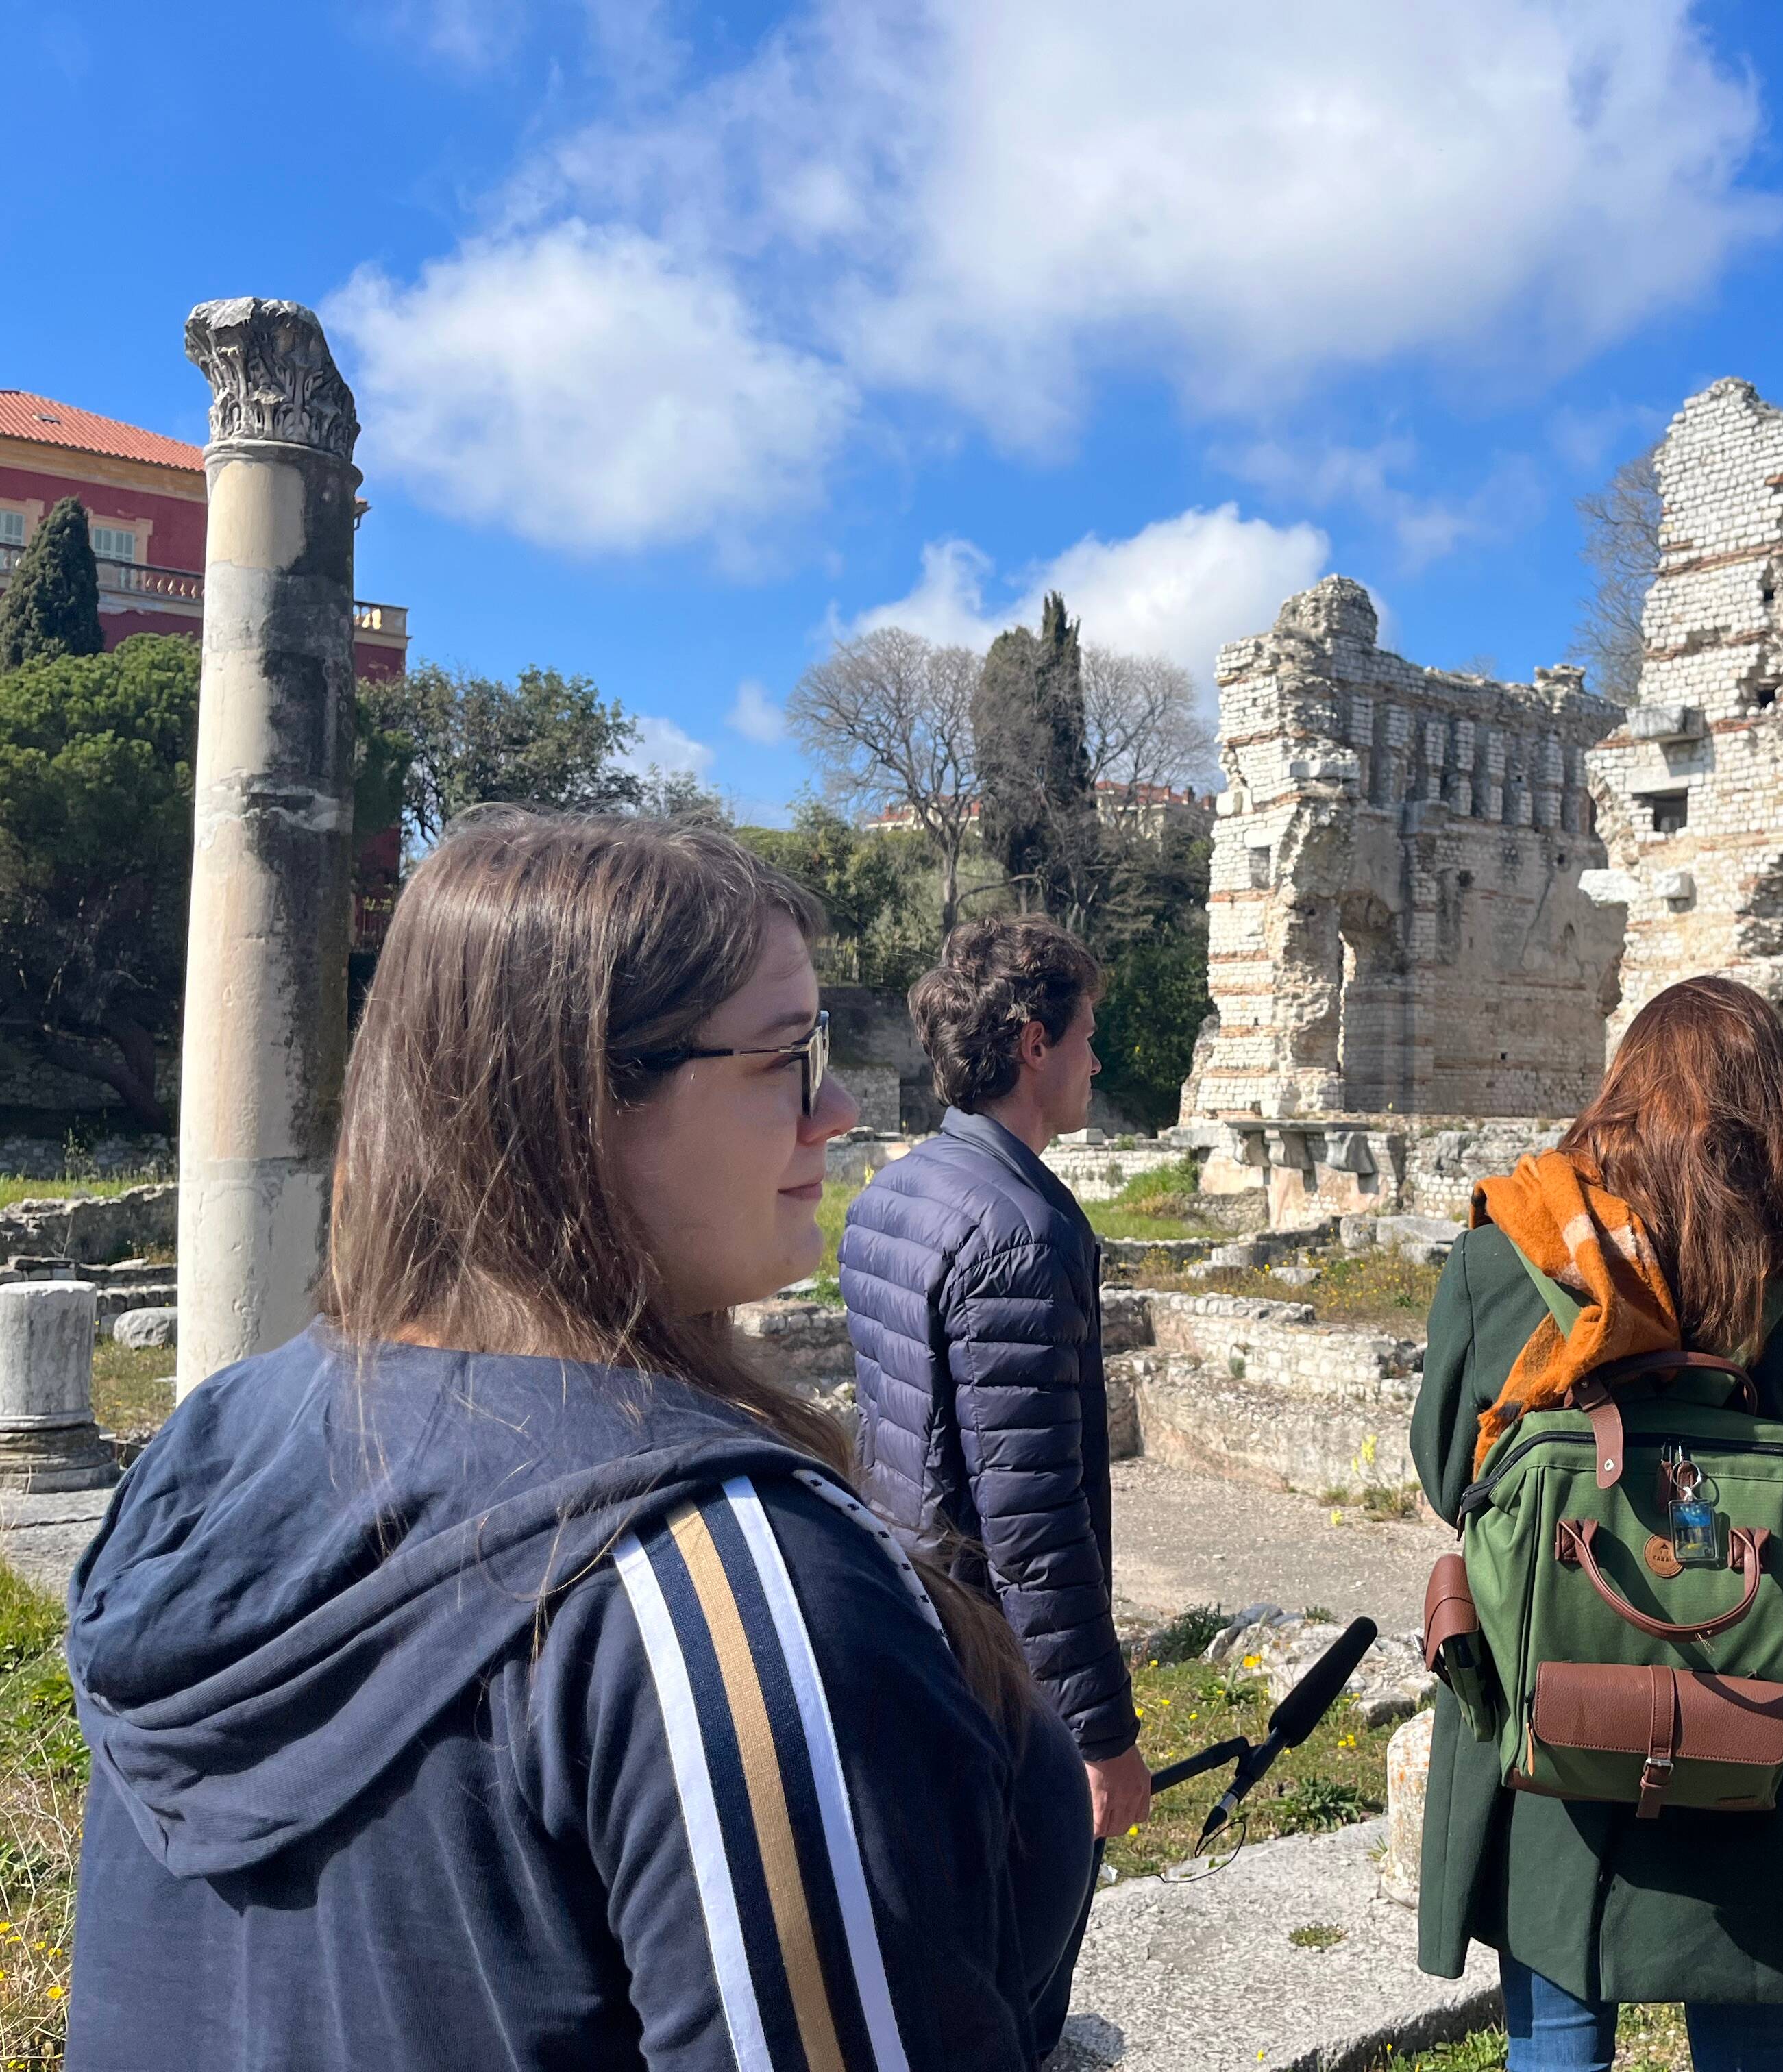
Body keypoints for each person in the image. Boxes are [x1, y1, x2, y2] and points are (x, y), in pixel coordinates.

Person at [65, 812, 1090, 2070]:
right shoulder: (721, 1596)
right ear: (575, 1101)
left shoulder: (212, 1448)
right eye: (786, 1056)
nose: (835, 1112)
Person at [1410, 976, 1783, 2072]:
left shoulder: (1519, 1246)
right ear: (1779, 1113)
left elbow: (1453, 1476)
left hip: (1553, 1708)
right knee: (1749, 2028)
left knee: (1559, 2034)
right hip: (1753, 1710)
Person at [841, 915, 1145, 2054]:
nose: (1099, 1062)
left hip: (909, 1628)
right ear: (1033, 1043)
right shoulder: (1021, 1232)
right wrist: (1102, 1736)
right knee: (1018, 1983)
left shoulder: (896, 1190)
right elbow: (1033, 1525)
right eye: (1089, 1037)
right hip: (999, 1674)